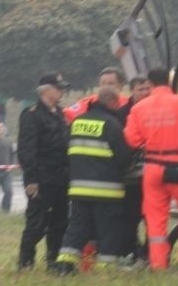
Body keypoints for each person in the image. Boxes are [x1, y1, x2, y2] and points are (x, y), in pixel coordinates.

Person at [124, 67, 178, 270]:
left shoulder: (138, 108)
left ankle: (158, 264)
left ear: (151, 83)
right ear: (170, 83)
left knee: (155, 220)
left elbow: (132, 139)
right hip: (177, 167)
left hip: (152, 168)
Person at [53, 86, 133, 274]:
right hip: (106, 191)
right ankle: (105, 269)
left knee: (76, 229)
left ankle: (65, 264)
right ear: (113, 102)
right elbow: (123, 158)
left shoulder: (77, 122)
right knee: (107, 231)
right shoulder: (112, 125)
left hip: (79, 189)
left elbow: (67, 153)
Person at [16, 72, 71, 271]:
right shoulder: (31, 115)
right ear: (46, 90)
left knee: (60, 223)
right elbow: (26, 150)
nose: (62, 91)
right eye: (58, 88)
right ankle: (25, 262)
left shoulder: (61, 114)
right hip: (42, 178)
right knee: (37, 223)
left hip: (62, 178)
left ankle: (54, 261)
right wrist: (31, 178)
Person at [116, 76, 152, 260]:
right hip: (131, 177)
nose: (145, 93)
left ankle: (151, 255)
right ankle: (130, 253)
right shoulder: (122, 114)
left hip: (154, 176)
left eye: (148, 89)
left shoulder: (157, 109)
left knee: (153, 218)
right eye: (141, 90)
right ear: (132, 91)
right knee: (129, 218)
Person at [63, 66, 129, 123]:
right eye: (103, 83)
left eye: (111, 84)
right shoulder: (88, 103)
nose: (106, 87)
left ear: (121, 86)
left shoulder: (128, 104)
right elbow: (67, 115)